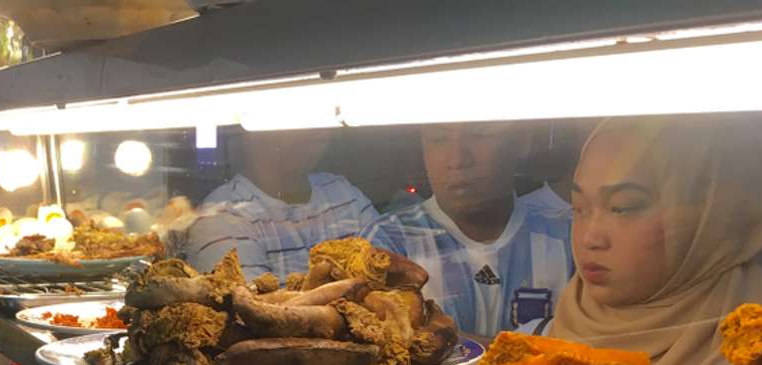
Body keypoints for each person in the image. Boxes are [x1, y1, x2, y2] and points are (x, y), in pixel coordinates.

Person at [547, 114, 762, 365]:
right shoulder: (547, 334)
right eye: (579, 208)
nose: (590, 239)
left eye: (622, 208)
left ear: (712, 215)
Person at [362, 121, 574, 336]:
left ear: (522, 142)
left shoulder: (569, 241)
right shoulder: (387, 243)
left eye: (479, 134)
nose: (458, 160)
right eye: (438, 139)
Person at [183, 127, 380, 279]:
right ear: (256, 134)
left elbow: (391, 275)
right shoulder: (223, 217)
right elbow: (253, 318)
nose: (321, 130)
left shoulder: (341, 191)